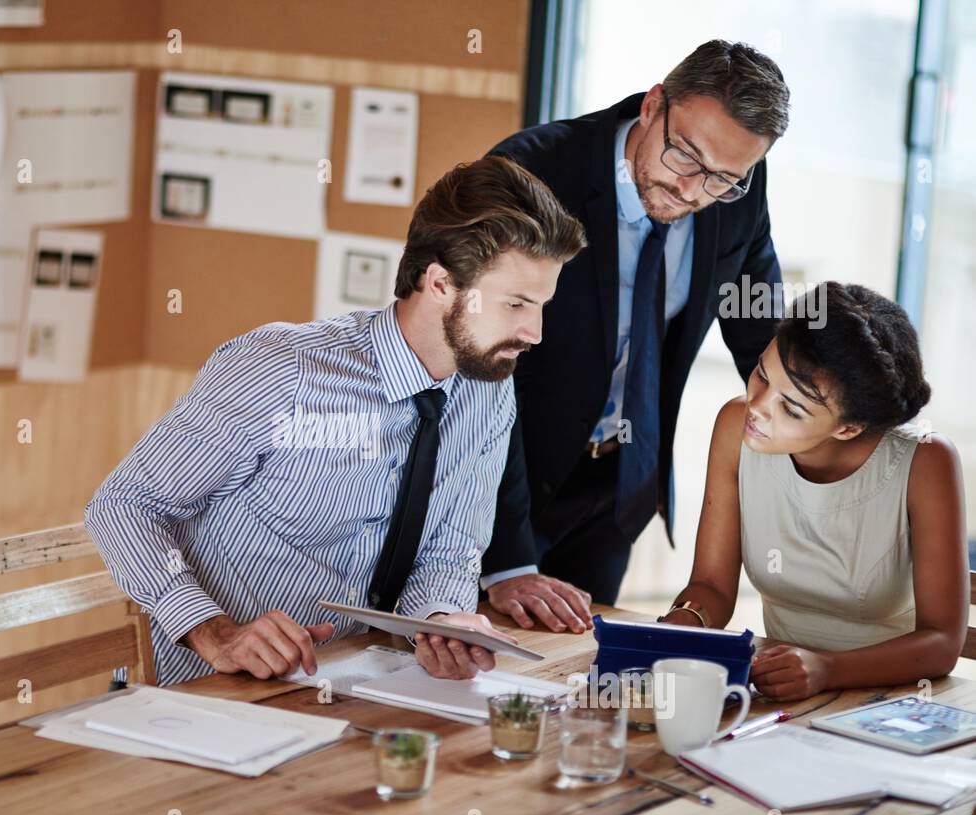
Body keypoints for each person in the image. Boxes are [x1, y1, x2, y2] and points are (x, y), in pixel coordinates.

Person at [85, 156, 587, 686]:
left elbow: (450, 549)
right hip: (195, 690)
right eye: (515, 304)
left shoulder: (487, 393)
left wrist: (440, 622)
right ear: (440, 283)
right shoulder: (280, 369)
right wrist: (215, 631)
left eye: (541, 306)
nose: (534, 332)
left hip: (338, 686)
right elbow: (126, 505)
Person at [480, 40, 791, 631]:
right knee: (475, 678)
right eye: (685, 158)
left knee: (576, 681)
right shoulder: (532, 174)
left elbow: (762, 332)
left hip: (617, 493)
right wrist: (507, 559)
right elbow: (477, 371)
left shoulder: (735, 189)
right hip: (502, 486)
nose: (695, 191)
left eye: (725, 178)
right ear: (653, 106)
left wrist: (843, 436)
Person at [660, 282, 968, 701]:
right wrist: (678, 628)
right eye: (762, 374)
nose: (758, 406)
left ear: (848, 427)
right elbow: (711, 586)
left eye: (791, 408)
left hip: (896, 702)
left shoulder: (925, 461)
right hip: (785, 692)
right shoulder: (736, 427)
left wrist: (828, 669)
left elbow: (942, 643)